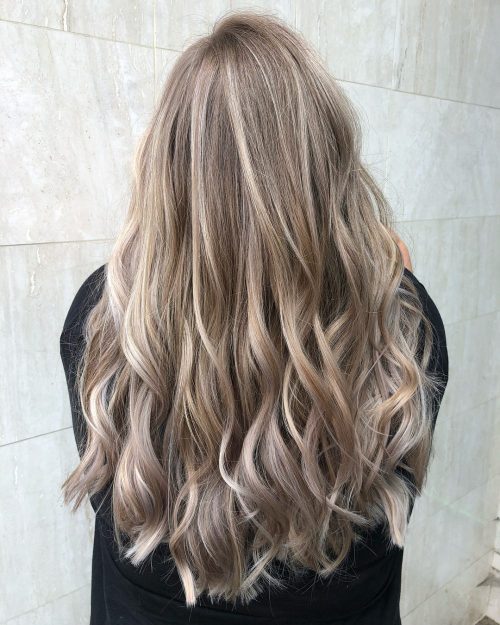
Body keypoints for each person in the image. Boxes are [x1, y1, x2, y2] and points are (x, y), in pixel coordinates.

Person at [59, 11, 449, 625]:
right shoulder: (406, 333)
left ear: (166, 170)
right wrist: (386, 270)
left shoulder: (101, 323)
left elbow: (120, 499)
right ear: (332, 168)